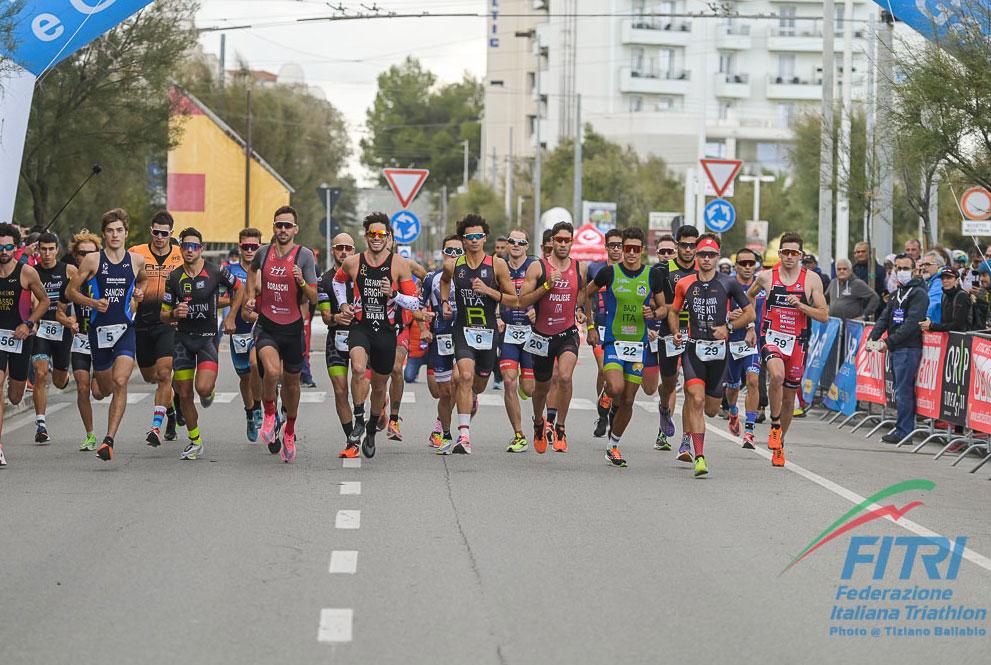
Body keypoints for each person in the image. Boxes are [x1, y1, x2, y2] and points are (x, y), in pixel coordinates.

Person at [333, 212, 420, 459]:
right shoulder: (353, 262)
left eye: (381, 234)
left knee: (380, 386)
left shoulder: (399, 264)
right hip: (360, 326)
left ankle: (371, 429)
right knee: (358, 368)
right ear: (366, 236)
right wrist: (342, 305)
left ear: (389, 237)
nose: (376, 238)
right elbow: (338, 283)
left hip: (385, 330)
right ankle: (359, 418)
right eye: (372, 234)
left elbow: (415, 303)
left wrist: (394, 295)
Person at [667, 234, 754, 477]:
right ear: (695, 255)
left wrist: (729, 328)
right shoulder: (684, 284)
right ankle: (700, 457)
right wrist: (676, 332)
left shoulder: (729, 283)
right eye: (702, 254)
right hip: (693, 349)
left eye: (711, 255)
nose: (706, 259)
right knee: (695, 399)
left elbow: (750, 314)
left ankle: (728, 413)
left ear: (717, 257)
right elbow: (673, 311)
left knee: (712, 409)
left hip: (719, 353)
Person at [66, 209, 148, 462]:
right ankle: (99, 385)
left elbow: (143, 281)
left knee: (121, 381)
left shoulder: (136, 261)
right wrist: (91, 303)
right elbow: (71, 292)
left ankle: (108, 439)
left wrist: (139, 294)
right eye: (110, 231)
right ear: (104, 234)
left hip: (125, 329)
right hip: (98, 332)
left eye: (119, 230)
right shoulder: (92, 260)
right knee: (103, 390)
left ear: (126, 233)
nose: (115, 234)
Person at [438, 214, 520, 455]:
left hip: (487, 333)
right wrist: (445, 302)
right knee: (464, 375)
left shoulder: (497, 265)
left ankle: (472, 396)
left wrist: (488, 291)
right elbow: (444, 282)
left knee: (479, 383)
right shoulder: (453, 265)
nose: (474, 241)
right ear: (463, 240)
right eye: (469, 237)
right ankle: (464, 436)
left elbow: (514, 300)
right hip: (462, 330)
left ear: (485, 238)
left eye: (478, 236)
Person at [244, 206, 319, 463]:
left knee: (291, 385)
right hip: (267, 325)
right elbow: (251, 270)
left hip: (293, 328)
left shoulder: (304, 256)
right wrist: (251, 297)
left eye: (288, 226)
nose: (283, 230)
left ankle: (289, 430)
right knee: (271, 371)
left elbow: (314, 297)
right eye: (279, 225)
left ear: (296, 229)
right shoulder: (263, 253)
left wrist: (300, 281)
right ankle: (268, 414)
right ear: (273, 227)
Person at [746, 232, 828, 467]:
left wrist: (801, 305)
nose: (789, 257)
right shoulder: (766, 277)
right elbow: (748, 297)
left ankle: (779, 443)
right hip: (771, 336)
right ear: (779, 253)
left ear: (800, 255)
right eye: (785, 252)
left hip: (798, 342)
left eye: (794, 253)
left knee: (790, 398)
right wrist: (751, 325)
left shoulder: (811, 280)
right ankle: (773, 424)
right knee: (776, 376)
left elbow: (823, 315)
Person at [160, 228, 240, 460]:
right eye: (185, 246)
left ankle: (209, 392)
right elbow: (164, 315)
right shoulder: (173, 278)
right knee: (184, 393)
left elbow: (240, 289)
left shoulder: (216, 272)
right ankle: (195, 441)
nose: (189, 250)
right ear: (181, 248)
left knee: (202, 389)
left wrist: (232, 315)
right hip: (182, 341)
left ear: (201, 249)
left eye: (194, 246)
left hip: (206, 339)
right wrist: (175, 312)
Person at [583, 227, 657, 468]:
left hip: (638, 344)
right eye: (628, 249)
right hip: (613, 341)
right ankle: (605, 395)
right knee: (614, 386)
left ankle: (613, 445)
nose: (632, 253)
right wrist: (591, 325)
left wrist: (654, 312)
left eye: (637, 249)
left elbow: (666, 307)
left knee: (627, 400)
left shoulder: (651, 275)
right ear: (622, 249)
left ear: (642, 251)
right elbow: (586, 293)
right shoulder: (609, 273)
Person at [517, 221, 587, 454]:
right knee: (542, 386)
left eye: (567, 240)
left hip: (567, 333)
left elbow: (584, 294)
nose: (563, 244)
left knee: (565, 377)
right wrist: (547, 285)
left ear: (572, 242)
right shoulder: (538, 268)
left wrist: (582, 312)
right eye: (559, 240)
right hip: (542, 335)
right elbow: (523, 300)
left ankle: (560, 427)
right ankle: (539, 422)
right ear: (552, 243)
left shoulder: (580, 268)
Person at [129, 211, 183, 446]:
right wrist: (133, 294)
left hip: (168, 323)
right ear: (150, 231)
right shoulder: (135, 253)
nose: (160, 237)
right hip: (142, 323)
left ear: (171, 233)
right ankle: (171, 411)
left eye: (165, 233)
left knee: (164, 373)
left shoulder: (181, 255)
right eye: (156, 232)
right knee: (151, 376)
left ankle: (155, 427)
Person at [0, 224, 51, 466]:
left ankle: (16, 386)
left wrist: (29, 324)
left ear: (16, 247)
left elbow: (44, 301)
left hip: (21, 337)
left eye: (8, 246)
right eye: (0, 247)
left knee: (16, 395)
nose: (3, 251)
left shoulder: (27, 272)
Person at [866, 254, 929, 443]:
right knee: (899, 389)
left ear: (915, 270)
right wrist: (873, 337)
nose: (901, 272)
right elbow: (885, 317)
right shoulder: (897, 293)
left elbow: (912, 323)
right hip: (896, 348)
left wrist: (888, 342)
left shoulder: (919, 293)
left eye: (905, 268)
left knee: (904, 390)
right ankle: (901, 427)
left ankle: (904, 431)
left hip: (908, 348)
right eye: (898, 268)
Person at [656, 224, 699, 460]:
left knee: (692, 391)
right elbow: (656, 303)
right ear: (677, 245)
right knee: (669, 385)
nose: (689, 250)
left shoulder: (702, 269)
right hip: (669, 334)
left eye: (693, 245)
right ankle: (664, 408)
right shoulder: (664, 270)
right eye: (684, 245)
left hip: (695, 334)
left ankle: (686, 443)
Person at [58, 231, 102, 451]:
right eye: (81, 253)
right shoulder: (70, 284)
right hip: (81, 341)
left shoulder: (105, 277)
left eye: (90, 253)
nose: (85, 257)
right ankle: (90, 434)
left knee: (99, 390)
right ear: (75, 256)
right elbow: (59, 312)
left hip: (104, 341)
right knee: (83, 388)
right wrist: (69, 321)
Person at [417, 236, 462, 450]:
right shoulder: (431, 279)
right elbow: (418, 306)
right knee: (441, 392)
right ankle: (441, 426)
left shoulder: (470, 277)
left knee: (460, 380)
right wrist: (424, 328)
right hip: (440, 337)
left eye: (458, 251)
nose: (453, 255)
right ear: (442, 253)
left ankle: (446, 432)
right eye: (449, 251)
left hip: (464, 336)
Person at [31, 233, 74, 443]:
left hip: (62, 328)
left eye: (51, 249)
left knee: (58, 379)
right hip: (40, 329)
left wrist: (74, 319)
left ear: (57, 249)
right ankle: (41, 424)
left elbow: (81, 294)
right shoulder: (32, 272)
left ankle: (64, 376)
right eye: (43, 249)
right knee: (40, 373)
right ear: (38, 250)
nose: (47, 254)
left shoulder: (68, 270)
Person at [497, 228, 537, 452]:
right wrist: (495, 317)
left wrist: (537, 312)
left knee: (529, 389)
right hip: (508, 332)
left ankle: (527, 383)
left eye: (521, 243)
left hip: (531, 333)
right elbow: (492, 293)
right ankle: (519, 434)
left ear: (527, 246)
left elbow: (545, 294)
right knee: (509, 380)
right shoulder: (498, 266)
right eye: (512, 241)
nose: (515, 245)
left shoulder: (534, 267)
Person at [317, 234, 357, 448]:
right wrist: (335, 318)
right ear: (333, 250)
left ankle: (377, 409)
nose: (343, 252)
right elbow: (325, 318)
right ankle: (351, 437)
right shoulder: (324, 280)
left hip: (363, 339)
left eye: (348, 248)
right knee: (341, 390)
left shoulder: (363, 274)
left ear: (354, 251)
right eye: (339, 248)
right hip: (337, 340)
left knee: (363, 386)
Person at [225, 228, 264, 441]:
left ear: (260, 247)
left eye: (254, 247)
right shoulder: (228, 271)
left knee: (263, 371)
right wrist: (234, 303)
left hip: (261, 329)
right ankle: (250, 413)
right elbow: (218, 298)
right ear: (239, 247)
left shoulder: (266, 270)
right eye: (245, 246)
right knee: (246, 376)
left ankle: (269, 414)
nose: (249, 250)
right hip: (238, 330)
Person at [723, 248, 761, 448]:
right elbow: (716, 308)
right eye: (743, 263)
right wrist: (727, 316)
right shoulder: (727, 283)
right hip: (731, 341)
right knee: (733, 386)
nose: (747, 267)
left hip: (753, 341)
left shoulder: (761, 284)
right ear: (736, 265)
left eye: (751, 263)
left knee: (753, 381)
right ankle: (732, 411)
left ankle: (750, 431)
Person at [587, 229, 623, 437]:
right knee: (604, 369)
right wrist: (588, 322)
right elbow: (585, 293)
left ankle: (611, 414)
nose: (616, 249)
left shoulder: (631, 270)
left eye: (620, 245)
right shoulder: (595, 269)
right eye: (612, 245)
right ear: (606, 247)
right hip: (601, 327)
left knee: (619, 378)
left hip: (624, 331)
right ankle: (602, 416)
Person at [920, 268, 972, 333]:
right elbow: (944, 321)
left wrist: (932, 326)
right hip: (948, 338)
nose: (945, 281)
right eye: (942, 278)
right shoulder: (944, 295)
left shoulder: (962, 296)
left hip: (962, 339)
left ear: (957, 280)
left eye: (949, 278)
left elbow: (958, 325)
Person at [919, 251, 945, 323]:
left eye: (927, 264)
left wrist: (924, 318)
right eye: (923, 265)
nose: (924, 267)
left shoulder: (940, 281)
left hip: (933, 325)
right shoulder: (929, 280)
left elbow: (932, 303)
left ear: (938, 266)